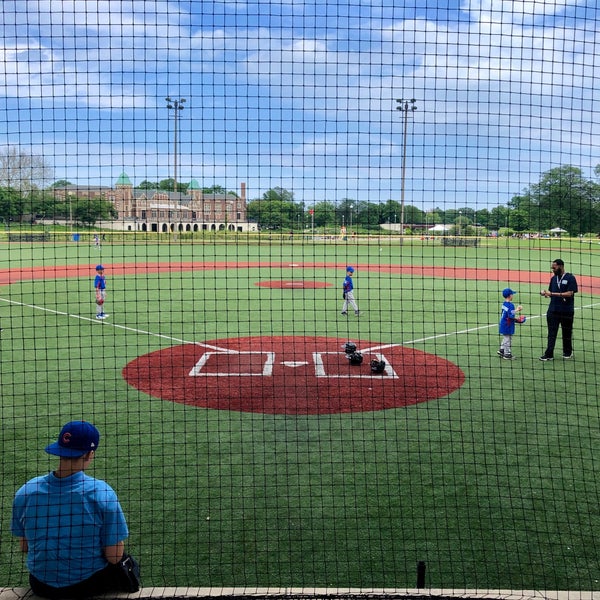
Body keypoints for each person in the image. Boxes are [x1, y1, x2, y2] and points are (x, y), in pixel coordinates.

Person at [11, 421, 138, 599]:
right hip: (87, 586)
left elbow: (25, 547)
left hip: (41, 585)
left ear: (60, 450)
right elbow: (114, 557)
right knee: (128, 564)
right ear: (89, 454)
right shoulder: (102, 492)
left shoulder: (26, 491)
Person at [539, 258, 578, 361]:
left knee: (567, 332)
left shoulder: (570, 278)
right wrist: (546, 294)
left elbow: (570, 293)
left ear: (561, 266)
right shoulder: (553, 279)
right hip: (553, 310)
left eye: (554, 267)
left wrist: (552, 294)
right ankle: (549, 354)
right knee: (551, 333)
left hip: (567, 311)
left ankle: (567, 351)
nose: (553, 269)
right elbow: (551, 293)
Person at [497, 288, 522, 360]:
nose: (513, 296)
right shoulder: (511, 305)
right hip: (507, 324)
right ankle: (507, 354)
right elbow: (510, 316)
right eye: (512, 294)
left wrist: (516, 310)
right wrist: (518, 319)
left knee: (505, 337)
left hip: (503, 323)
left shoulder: (504, 304)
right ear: (509, 296)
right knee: (508, 338)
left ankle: (502, 350)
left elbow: (508, 313)